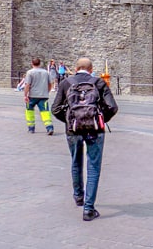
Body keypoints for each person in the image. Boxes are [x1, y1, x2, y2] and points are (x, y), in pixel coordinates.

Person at [52, 57, 118, 221]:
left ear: (76, 68)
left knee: (76, 161)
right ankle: (89, 209)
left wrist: (69, 120)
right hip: (95, 130)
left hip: (73, 129)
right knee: (93, 167)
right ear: (91, 69)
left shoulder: (66, 83)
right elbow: (113, 107)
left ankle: (78, 196)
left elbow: (55, 109)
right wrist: (101, 120)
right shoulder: (98, 83)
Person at [23, 57, 54, 135]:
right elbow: (50, 84)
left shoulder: (30, 72)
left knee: (29, 111)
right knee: (45, 112)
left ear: (32, 64)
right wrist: (47, 91)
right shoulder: (46, 72)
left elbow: (27, 85)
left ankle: (31, 128)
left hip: (32, 96)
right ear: (40, 64)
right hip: (43, 96)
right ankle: (49, 127)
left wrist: (25, 95)